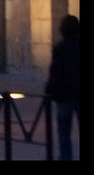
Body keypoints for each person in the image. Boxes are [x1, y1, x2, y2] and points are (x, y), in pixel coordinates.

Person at [46, 14, 79, 160]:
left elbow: (55, 72)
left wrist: (50, 90)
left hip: (64, 95)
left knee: (64, 130)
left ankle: (66, 157)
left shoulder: (60, 48)